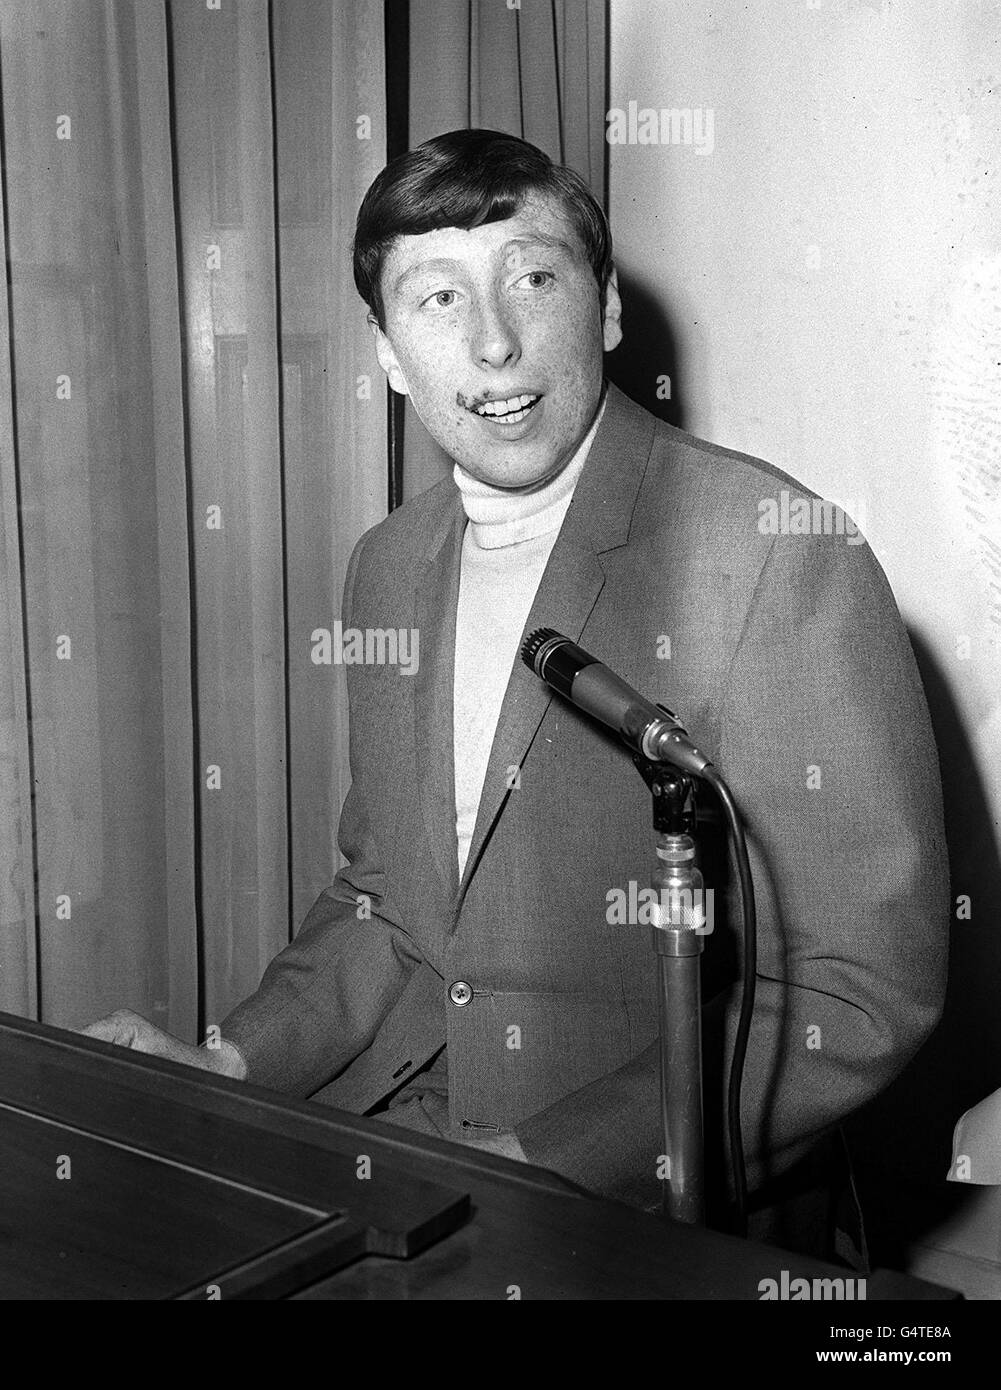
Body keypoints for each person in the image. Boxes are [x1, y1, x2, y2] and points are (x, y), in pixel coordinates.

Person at [84, 129, 948, 1255]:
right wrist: (228, 1061)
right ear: (388, 352)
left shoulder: (776, 552)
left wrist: (541, 1169)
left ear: (606, 310)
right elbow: (388, 899)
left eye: (532, 279)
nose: (492, 343)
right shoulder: (387, 563)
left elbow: (855, 990)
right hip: (411, 1156)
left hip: (649, 1213)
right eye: (435, 298)